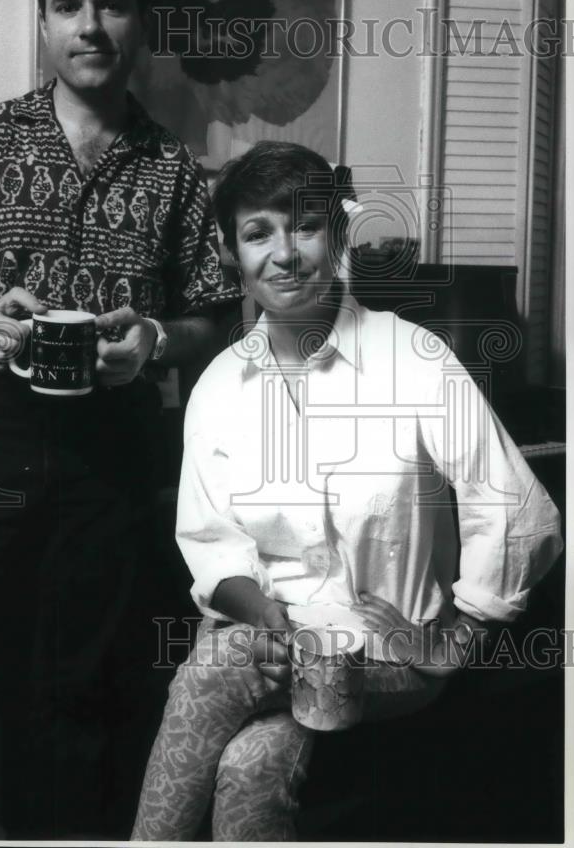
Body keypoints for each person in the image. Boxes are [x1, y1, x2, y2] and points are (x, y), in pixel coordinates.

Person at [0, 0, 240, 840]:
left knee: (83, 700)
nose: (91, 25)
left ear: (138, 20)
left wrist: (154, 340)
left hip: (108, 461)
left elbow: (214, 315)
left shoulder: (171, 168)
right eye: (69, 4)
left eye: (111, 3)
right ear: (43, 20)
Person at [130, 140, 563, 841]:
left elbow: (517, 507)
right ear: (229, 253)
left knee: (215, 664)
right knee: (249, 764)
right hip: (270, 641)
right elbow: (212, 542)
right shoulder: (218, 386)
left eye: (304, 225)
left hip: (387, 657)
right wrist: (267, 621)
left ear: (335, 233)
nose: (285, 252)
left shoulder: (414, 359)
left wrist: (460, 635)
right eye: (257, 232)